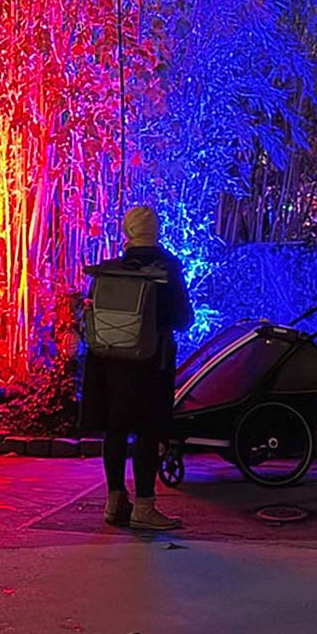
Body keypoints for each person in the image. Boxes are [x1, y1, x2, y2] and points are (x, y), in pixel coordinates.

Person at [81, 205, 193, 531]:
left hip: (109, 363)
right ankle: (144, 506)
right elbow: (183, 319)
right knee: (147, 431)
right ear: (156, 231)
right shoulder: (167, 269)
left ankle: (114, 500)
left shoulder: (110, 270)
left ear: (127, 231)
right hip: (150, 364)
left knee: (114, 430)